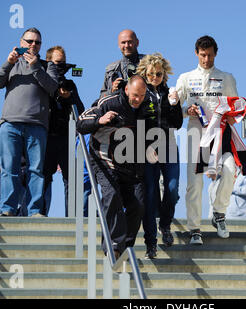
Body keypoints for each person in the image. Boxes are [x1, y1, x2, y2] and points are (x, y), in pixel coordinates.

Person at [175, 35, 240, 245]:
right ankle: (195, 229)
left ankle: (218, 213)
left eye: (210, 55)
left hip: (221, 133)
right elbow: (175, 108)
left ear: (216, 53)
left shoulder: (227, 77)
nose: (206, 59)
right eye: (203, 55)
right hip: (196, 132)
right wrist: (187, 110)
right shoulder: (185, 78)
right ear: (196, 53)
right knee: (195, 183)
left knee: (230, 170)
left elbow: (235, 106)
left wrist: (234, 113)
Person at [76, 75, 149, 258]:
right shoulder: (109, 102)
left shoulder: (147, 106)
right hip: (104, 159)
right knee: (112, 195)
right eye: (134, 95)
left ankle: (126, 246)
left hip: (131, 164)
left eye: (141, 95)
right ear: (126, 90)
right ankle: (114, 245)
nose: (137, 99)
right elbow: (80, 123)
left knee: (138, 204)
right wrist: (99, 121)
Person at [0, 27, 58, 217]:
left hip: (37, 125)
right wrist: (8, 62)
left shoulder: (47, 66)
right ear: (21, 43)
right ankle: (8, 209)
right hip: (10, 124)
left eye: (37, 42)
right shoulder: (12, 64)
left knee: (35, 170)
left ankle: (34, 210)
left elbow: (53, 88)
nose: (33, 45)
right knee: (9, 169)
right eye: (29, 41)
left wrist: (36, 67)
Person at [136, 53, 183, 259]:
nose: (155, 77)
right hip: (146, 149)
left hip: (169, 146)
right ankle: (151, 243)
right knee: (151, 195)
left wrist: (174, 105)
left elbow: (178, 123)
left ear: (164, 75)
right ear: (145, 74)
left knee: (172, 189)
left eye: (159, 74)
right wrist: (146, 146)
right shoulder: (141, 93)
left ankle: (165, 225)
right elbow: (135, 121)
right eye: (151, 74)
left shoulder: (169, 93)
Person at [42, 46, 85, 217]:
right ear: (49, 63)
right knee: (43, 178)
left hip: (66, 137)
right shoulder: (42, 81)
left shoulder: (70, 84)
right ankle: (40, 215)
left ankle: (72, 217)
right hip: (46, 137)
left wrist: (69, 98)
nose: (61, 67)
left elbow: (80, 110)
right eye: (58, 63)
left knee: (71, 179)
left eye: (63, 63)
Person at [99, 30, 145, 98]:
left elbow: (162, 89)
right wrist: (112, 90)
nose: (126, 45)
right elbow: (101, 96)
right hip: (121, 106)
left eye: (130, 42)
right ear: (118, 45)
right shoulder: (111, 70)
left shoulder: (150, 63)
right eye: (123, 42)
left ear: (137, 42)